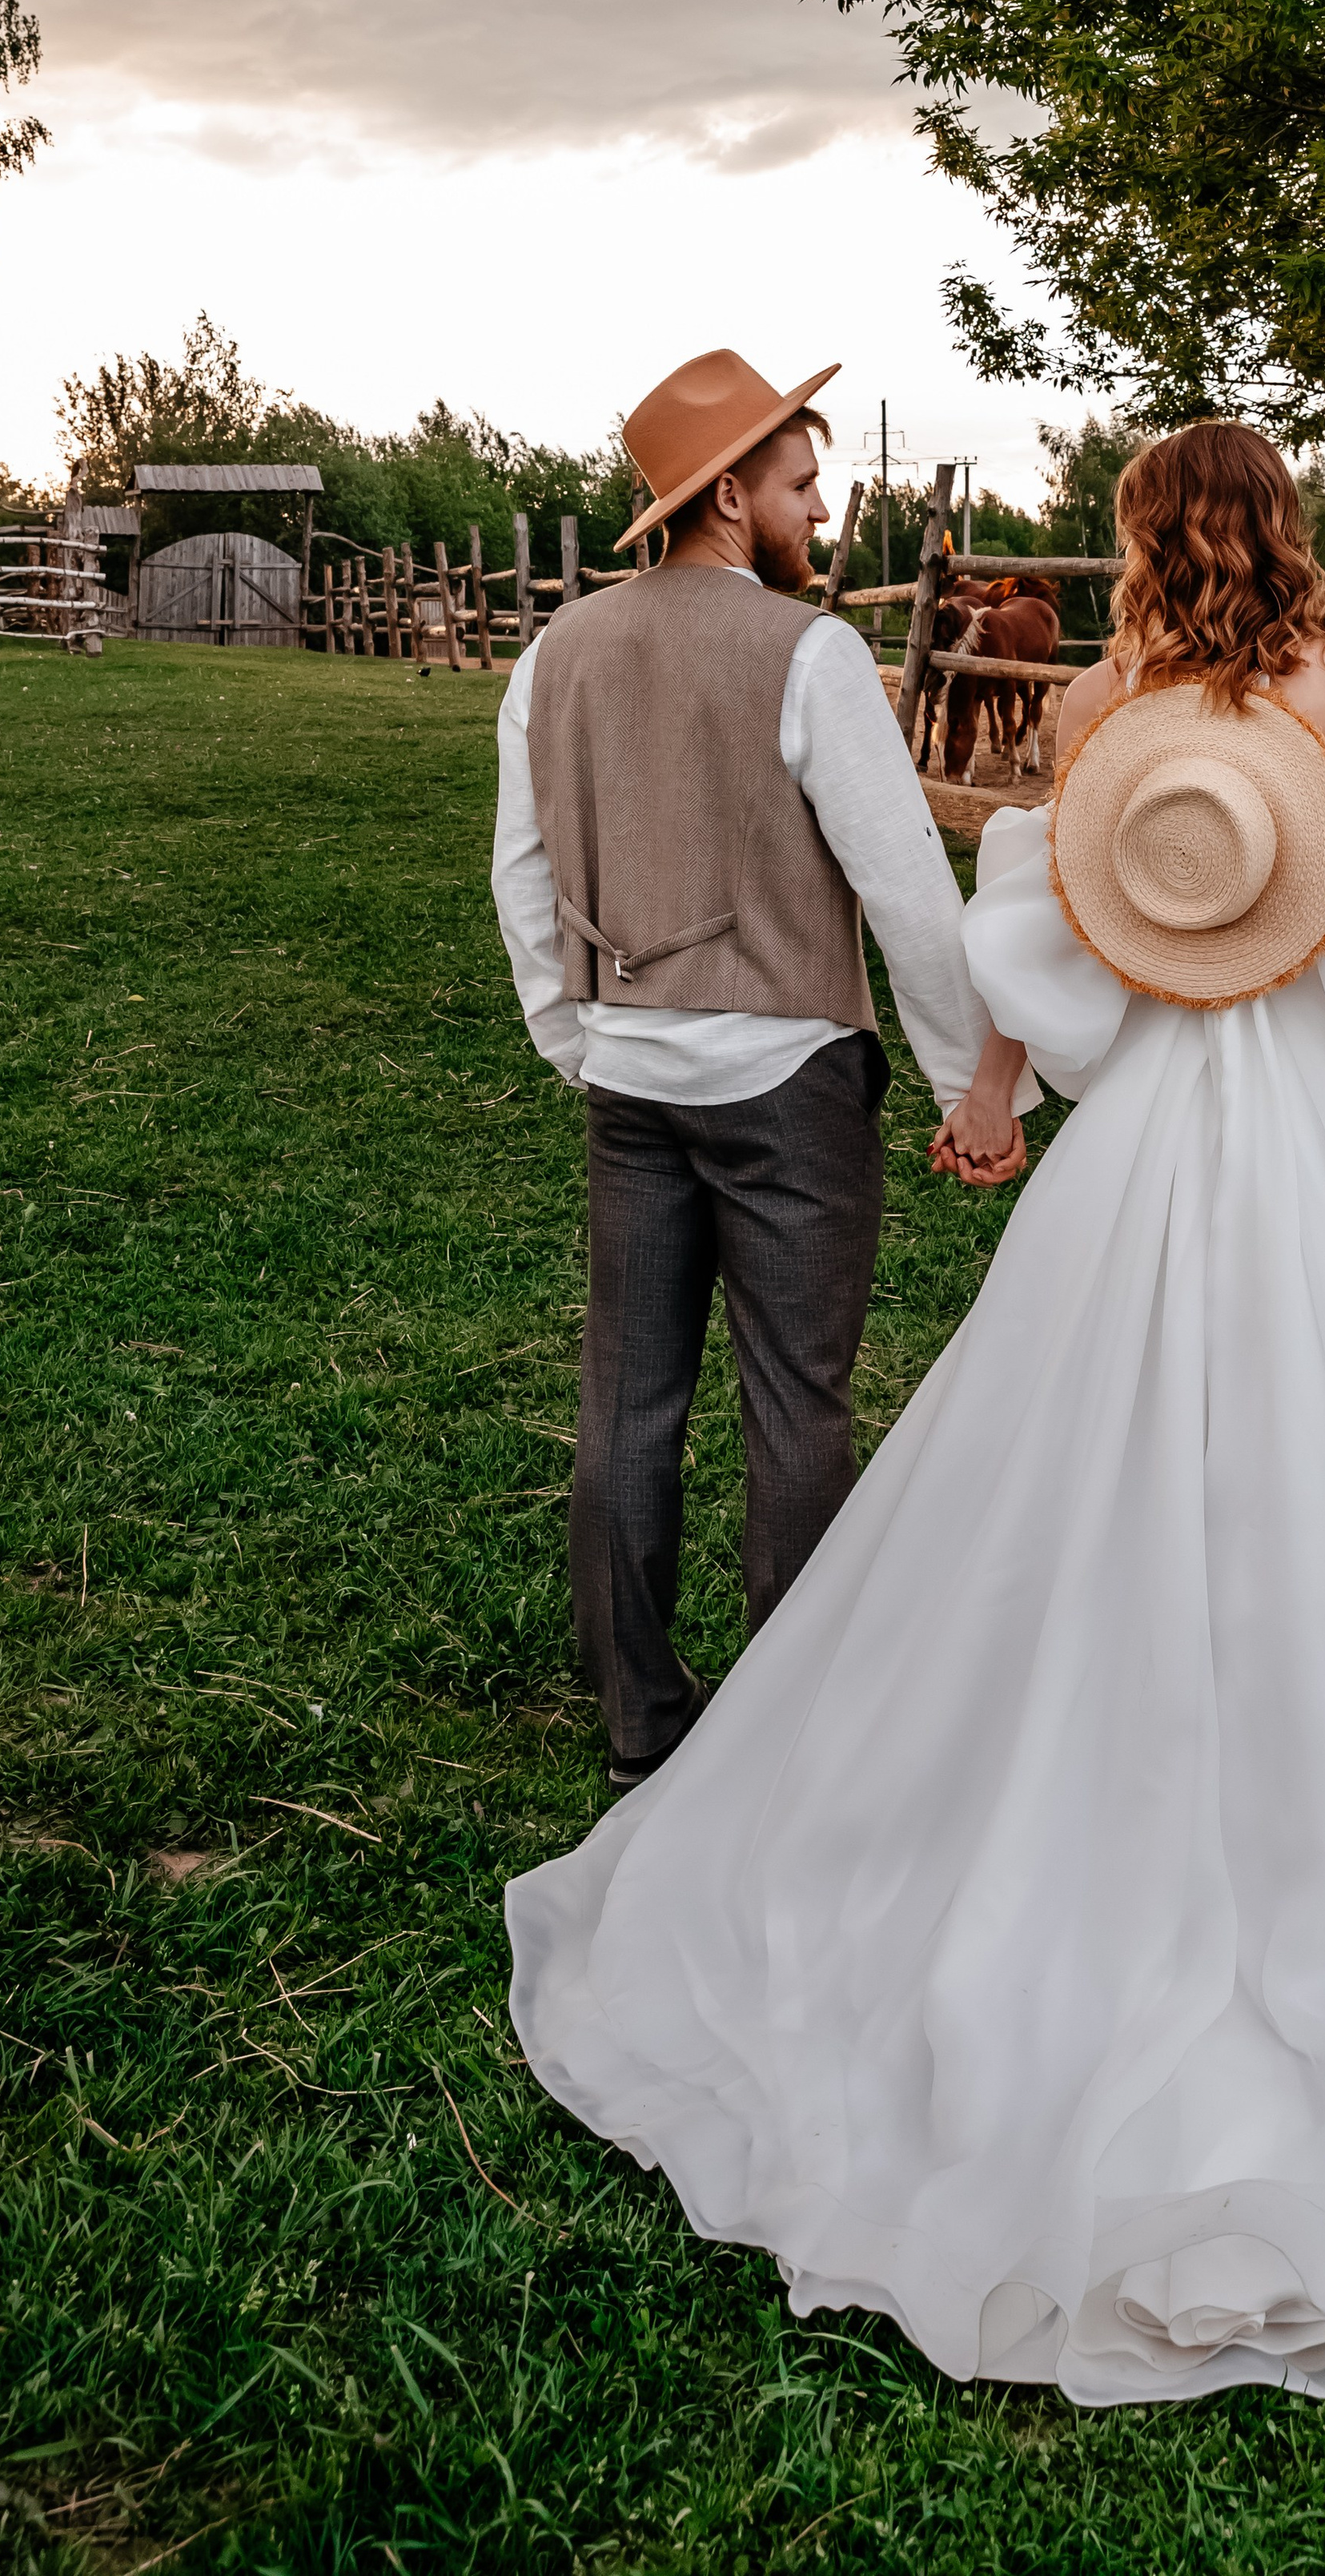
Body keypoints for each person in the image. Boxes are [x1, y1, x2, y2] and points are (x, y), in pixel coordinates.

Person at [504, 419, 1325, 2405]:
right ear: (1283, 531)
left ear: (1146, 545)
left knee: (1067, 1470)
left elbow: (1051, 928)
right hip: (1319, 1127)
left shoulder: (1094, 692)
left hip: (1154, 1134)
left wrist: (993, 1094)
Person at [491, 347, 1024, 1790]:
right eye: (799, 481)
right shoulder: (812, 653)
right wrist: (981, 1085)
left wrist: (577, 1036)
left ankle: (637, 1718)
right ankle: (790, 1733)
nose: (817, 503)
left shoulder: (553, 656)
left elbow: (523, 876)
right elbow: (909, 891)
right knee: (796, 1402)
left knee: (626, 1394)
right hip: (789, 1085)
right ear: (728, 495)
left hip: (632, 1082)